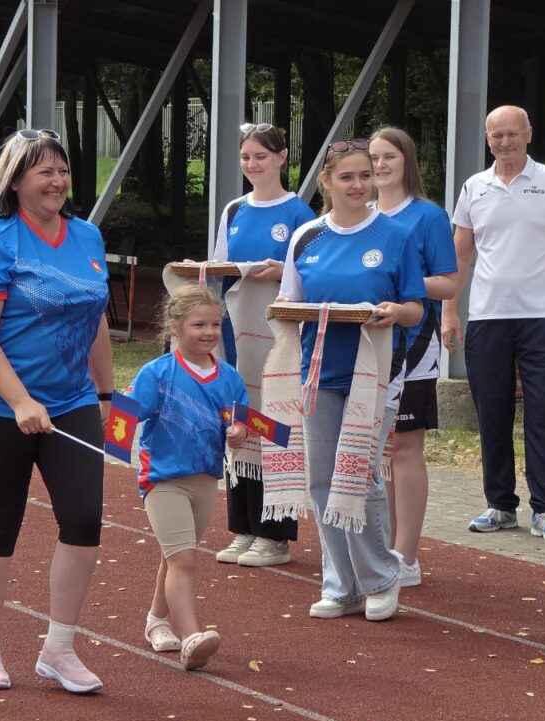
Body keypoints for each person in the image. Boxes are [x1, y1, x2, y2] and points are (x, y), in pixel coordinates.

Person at [0, 128, 113, 693]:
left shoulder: (88, 236)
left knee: (84, 521)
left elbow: (95, 318)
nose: (57, 181)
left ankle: (59, 650)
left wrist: (106, 395)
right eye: (44, 171)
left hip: (72, 400)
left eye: (62, 170)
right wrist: (20, 400)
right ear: (15, 180)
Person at [278, 138, 424, 621]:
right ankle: (341, 585)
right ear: (326, 181)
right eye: (347, 177)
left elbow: (415, 308)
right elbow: (287, 303)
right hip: (318, 373)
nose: (359, 185)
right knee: (322, 479)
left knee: (358, 475)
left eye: (366, 176)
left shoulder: (395, 234)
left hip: (375, 375)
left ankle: (380, 577)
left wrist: (394, 312)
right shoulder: (306, 236)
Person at [445, 105, 545, 543]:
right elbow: (460, 254)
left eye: (512, 134)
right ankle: (500, 504)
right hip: (488, 317)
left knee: (543, 415)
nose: (504, 142)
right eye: (496, 135)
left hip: (544, 318)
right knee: (492, 415)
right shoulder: (474, 187)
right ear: (487, 139)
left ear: (529, 134)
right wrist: (449, 310)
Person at [211, 122, 316, 568]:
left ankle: (275, 534)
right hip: (237, 334)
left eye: (261, 156)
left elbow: (310, 275)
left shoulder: (299, 214)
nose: (252, 164)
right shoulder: (234, 210)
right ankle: (244, 527)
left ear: (281, 157)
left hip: (278, 339)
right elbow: (219, 268)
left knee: (275, 426)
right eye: (245, 157)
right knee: (239, 424)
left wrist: (280, 273)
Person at [129, 284, 247, 670]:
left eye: (215, 324)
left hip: (206, 478)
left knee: (175, 554)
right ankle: (192, 636)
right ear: (175, 326)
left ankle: (155, 621)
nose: (209, 332)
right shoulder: (156, 373)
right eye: (199, 325)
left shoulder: (229, 376)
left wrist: (238, 431)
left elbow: (240, 419)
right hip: (163, 479)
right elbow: (125, 415)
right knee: (184, 558)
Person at [368, 126, 458, 587]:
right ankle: (377, 548)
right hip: (363, 346)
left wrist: (403, 283)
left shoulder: (428, 216)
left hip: (415, 347)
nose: (380, 165)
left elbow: (449, 283)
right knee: (373, 448)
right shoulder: (358, 215)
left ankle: (405, 556)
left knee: (404, 447)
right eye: (374, 158)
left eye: (389, 156)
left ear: (407, 161)